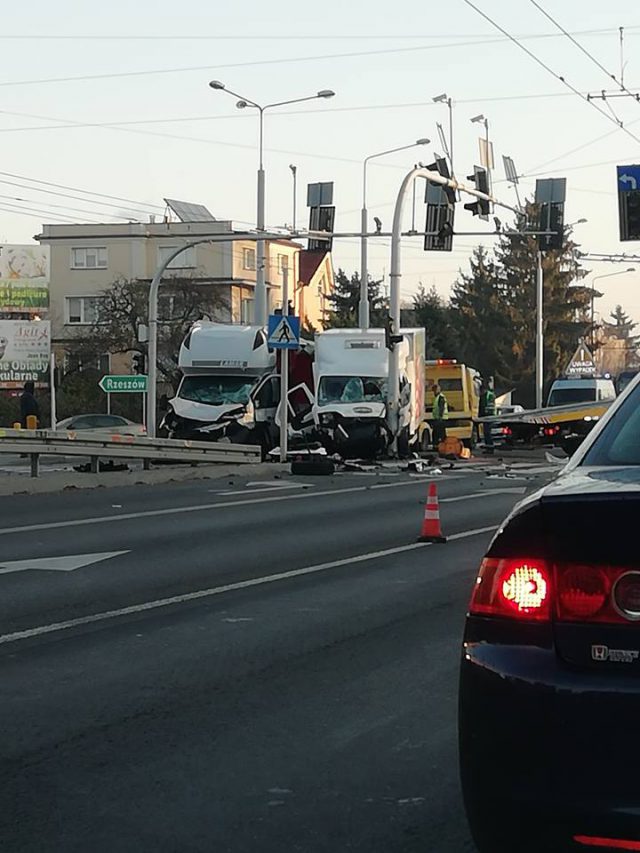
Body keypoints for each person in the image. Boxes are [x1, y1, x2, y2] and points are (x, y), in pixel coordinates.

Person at [479, 376, 496, 452]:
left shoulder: (489, 395)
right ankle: (488, 447)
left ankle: (490, 448)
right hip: (486, 416)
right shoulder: (483, 396)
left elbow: (490, 406)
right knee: (486, 433)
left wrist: (485, 414)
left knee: (487, 432)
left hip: (489, 416)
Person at [431, 383, 448, 449]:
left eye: (435, 390)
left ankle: (443, 447)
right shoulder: (437, 397)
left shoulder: (440, 397)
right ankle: (438, 447)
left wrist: (440, 417)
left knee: (440, 434)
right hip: (438, 418)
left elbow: (441, 408)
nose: (434, 392)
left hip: (441, 419)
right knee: (437, 433)